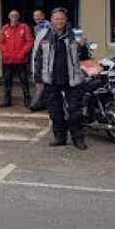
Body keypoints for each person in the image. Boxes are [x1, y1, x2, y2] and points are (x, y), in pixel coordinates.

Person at [32, 8, 87, 149]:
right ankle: (60, 137)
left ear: (66, 20)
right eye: (56, 19)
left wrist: (83, 46)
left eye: (62, 19)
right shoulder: (45, 37)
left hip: (72, 79)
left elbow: (85, 56)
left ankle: (78, 139)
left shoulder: (74, 36)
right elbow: (38, 58)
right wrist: (37, 77)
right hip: (51, 80)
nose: (59, 21)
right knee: (55, 112)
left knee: (75, 112)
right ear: (51, 21)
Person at [0, 10, 34, 107]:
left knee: (24, 80)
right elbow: (0, 43)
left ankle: (27, 99)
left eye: (16, 16)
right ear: (9, 17)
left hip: (21, 59)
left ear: (18, 17)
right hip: (7, 60)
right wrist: (5, 53)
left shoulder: (24, 27)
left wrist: (22, 53)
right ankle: (7, 100)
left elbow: (30, 41)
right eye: (12, 16)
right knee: (7, 81)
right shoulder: (4, 28)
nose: (14, 17)